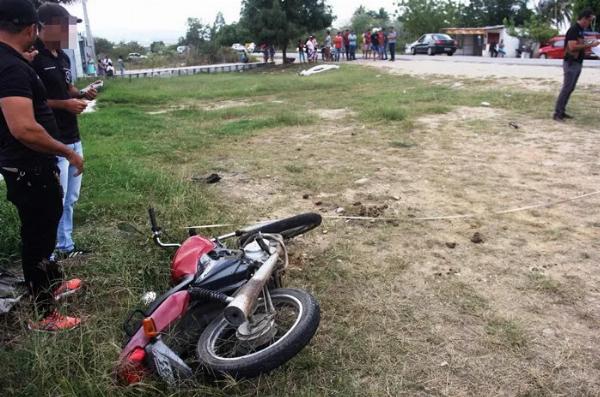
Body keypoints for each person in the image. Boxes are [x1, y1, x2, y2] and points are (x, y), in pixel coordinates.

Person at [0, 0, 84, 331]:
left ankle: (52, 286)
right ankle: (46, 315)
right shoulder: (11, 69)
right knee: (37, 239)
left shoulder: (12, 63)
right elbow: (23, 128)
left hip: (30, 167)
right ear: (29, 28)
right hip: (30, 168)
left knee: (45, 232)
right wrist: (66, 151)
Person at [33, 2, 99, 260]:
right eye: (65, 26)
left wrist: (82, 93)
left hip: (73, 136)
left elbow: (67, 88)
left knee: (70, 197)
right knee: (54, 200)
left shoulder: (62, 57)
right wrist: (64, 104)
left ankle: (65, 245)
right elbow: (31, 101)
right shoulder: (31, 57)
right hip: (51, 138)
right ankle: (47, 252)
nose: (69, 31)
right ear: (46, 26)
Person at [554, 8, 599, 122]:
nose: (589, 23)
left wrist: (592, 43)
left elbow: (580, 43)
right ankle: (557, 113)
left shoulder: (580, 30)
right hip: (571, 62)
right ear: (584, 19)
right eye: (589, 20)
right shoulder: (574, 30)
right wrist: (589, 45)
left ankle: (562, 111)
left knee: (570, 88)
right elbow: (573, 46)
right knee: (567, 88)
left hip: (577, 62)